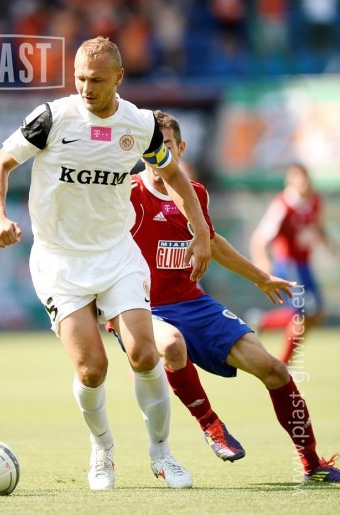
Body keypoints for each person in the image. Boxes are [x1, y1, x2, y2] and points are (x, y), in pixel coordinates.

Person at [0, 37, 212, 491]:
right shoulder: (51, 118)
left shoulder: (141, 126)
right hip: (59, 260)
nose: (87, 88)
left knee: (144, 353)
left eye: (97, 80)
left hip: (116, 254)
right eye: (80, 78)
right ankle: (102, 450)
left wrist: (201, 231)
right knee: (92, 370)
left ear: (119, 78)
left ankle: (162, 454)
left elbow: (173, 175)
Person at [107, 110, 340, 483]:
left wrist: (261, 277)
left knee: (274, 370)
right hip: (139, 306)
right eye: (150, 147)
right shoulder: (127, 192)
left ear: (180, 149)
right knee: (172, 344)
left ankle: (313, 464)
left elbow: (213, 244)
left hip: (191, 302)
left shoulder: (195, 194)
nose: (157, 155)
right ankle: (210, 424)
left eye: (165, 146)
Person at [250, 164, 335, 365]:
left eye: (305, 177)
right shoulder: (283, 204)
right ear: (290, 181)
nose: (303, 182)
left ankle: (263, 321)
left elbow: (318, 227)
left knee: (316, 314)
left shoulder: (314, 201)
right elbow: (260, 238)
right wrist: (262, 260)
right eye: (298, 178)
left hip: (305, 265)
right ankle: (285, 364)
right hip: (289, 265)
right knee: (301, 314)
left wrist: (331, 247)